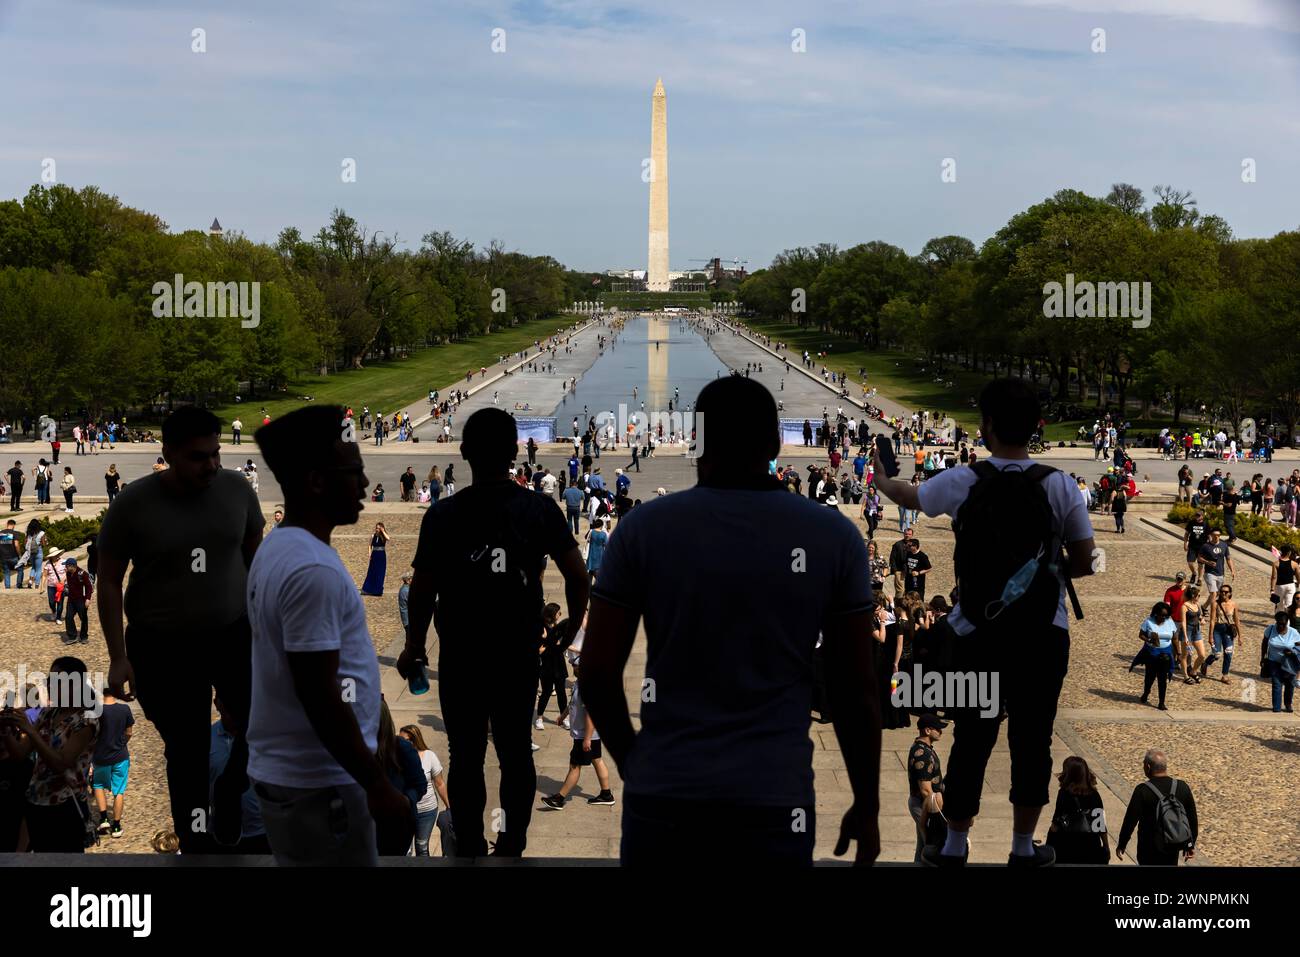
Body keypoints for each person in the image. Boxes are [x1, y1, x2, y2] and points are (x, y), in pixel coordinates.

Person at [580, 377, 881, 866]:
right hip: (774, 794)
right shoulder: (833, 537)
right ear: (775, 443)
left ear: (697, 439)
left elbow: (595, 672)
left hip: (666, 793)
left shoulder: (642, 530)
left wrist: (638, 764)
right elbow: (855, 688)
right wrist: (866, 803)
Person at [873, 377, 1096, 867]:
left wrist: (881, 474)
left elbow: (905, 496)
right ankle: (1021, 846)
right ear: (1037, 427)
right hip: (1042, 634)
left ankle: (953, 843)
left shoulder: (966, 479)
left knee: (974, 736)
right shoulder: (1059, 484)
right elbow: (1084, 560)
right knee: (1033, 739)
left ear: (986, 426)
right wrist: (1040, 570)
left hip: (978, 633)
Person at [398, 407, 589, 858]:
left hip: (463, 653)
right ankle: (512, 846)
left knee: (465, 757)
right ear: (516, 450)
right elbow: (579, 577)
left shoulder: (443, 515)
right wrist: (570, 628)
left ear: (464, 453)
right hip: (515, 651)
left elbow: (423, 590)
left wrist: (412, 645)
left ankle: (468, 846)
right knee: (515, 755)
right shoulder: (538, 509)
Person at [246, 405, 410, 866]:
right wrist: (377, 785)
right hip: (321, 784)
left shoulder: (278, 545)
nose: (362, 485)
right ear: (316, 481)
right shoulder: (312, 569)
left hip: (301, 777)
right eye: (353, 471)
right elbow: (318, 693)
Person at [97, 406, 265, 853]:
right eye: (197, 457)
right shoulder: (133, 503)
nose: (211, 465)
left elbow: (256, 558)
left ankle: (230, 789)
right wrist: (117, 655)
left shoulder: (236, 490)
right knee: (187, 751)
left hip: (232, 633)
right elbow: (109, 581)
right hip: (162, 647)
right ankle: (195, 840)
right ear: (168, 453)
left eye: (215, 454)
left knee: (263, 726)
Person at [0, 657, 99, 852]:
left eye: (54, 681)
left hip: (64, 807)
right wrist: (7, 731)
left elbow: (61, 763)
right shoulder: (48, 714)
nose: (48, 685)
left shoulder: (86, 721)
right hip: (37, 802)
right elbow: (20, 754)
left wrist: (30, 729)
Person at [540, 659, 616, 810]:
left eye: (575, 665)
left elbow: (591, 715)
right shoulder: (580, 683)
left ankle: (559, 799)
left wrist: (587, 738)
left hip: (585, 734)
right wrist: (563, 716)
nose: (573, 667)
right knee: (597, 760)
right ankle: (606, 794)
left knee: (575, 766)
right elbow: (572, 704)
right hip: (587, 734)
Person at [1115, 750, 1197, 866]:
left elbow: (1130, 821)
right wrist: (1189, 844)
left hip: (1148, 851)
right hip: (1171, 847)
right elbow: (1192, 819)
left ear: (1148, 767)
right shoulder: (1182, 787)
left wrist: (1122, 844)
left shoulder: (1142, 790)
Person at [1045, 756, 1109, 865]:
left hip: (1068, 849)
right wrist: (1106, 847)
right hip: (1091, 849)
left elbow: (1056, 824)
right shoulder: (1094, 795)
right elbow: (1100, 825)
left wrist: (1048, 846)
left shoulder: (1064, 794)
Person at [399, 725, 451, 856]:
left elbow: (440, 784)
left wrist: (449, 806)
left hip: (427, 812)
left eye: (403, 740)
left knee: (421, 847)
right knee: (405, 850)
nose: (399, 743)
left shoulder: (429, 756)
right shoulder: (396, 758)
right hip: (406, 811)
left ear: (413, 741)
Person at [91, 688, 134, 839]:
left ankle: (103, 819)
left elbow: (92, 735)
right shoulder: (124, 709)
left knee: (98, 785)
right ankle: (116, 826)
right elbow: (129, 732)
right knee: (119, 791)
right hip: (120, 756)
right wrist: (122, 743)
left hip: (100, 756)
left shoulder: (97, 711)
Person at [906, 714, 946, 864]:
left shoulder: (924, 749)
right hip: (925, 806)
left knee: (923, 846)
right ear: (928, 730)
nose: (941, 732)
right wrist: (939, 814)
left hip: (925, 805)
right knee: (933, 848)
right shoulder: (922, 754)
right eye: (938, 729)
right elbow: (926, 791)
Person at [1137, 602, 1176, 710]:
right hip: (1152, 654)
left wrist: (1178, 652)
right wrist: (1149, 640)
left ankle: (1161, 702)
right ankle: (1146, 692)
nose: (1164, 617)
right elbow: (1141, 635)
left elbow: (1175, 637)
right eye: (1162, 615)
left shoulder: (1170, 622)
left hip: (1166, 654)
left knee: (1162, 679)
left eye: (1166, 615)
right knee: (1150, 677)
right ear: (1156, 614)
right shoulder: (1148, 622)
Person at [1263, 610, 1300, 713]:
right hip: (1273, 661)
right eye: (1278, 623)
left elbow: (1299, 646)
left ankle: (1288, 704)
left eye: (1283, 624)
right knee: (1276, 683)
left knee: (1289, 684)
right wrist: (1263, 657)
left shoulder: (1293, 633)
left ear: (1287, 622)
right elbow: (1264, 642)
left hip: (1289, 663)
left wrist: (1292, 652)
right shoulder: (1270, 630)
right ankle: (1277, 707)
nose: (1280, 626)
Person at [1203, 584, 1241, 683]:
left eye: (1226, 592)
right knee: (1217, 654)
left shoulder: (1234, 604)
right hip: (1217, 629)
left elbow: (1237, 620)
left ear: (1230, 593)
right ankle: (1206, 662)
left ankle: (1225, 675)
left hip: (1228, 630)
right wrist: (1210, 636)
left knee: (1228, 652)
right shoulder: (1215, 603)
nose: (1223, 593)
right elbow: (1211, 620)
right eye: (1222, 591)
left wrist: (1240, 636)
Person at [62, 557, 93, 644]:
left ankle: (84, 636)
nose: (65, 567)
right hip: (71, 600)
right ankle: (72, 636)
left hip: (81, 600)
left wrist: (87, 599)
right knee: (68, 617)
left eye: (67, 566)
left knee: (83, 618)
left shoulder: (82, 574)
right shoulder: (68, 573)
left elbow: (89, 587)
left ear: (72, 566)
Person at [1196, 529, 1234, 597]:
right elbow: (1199, 558)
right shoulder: (1206, 546)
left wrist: (1232, 570)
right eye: (1214, 535)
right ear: (1211, 535)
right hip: (1209, 573)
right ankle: (1214, 608)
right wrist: (1207, 562)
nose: (1216, 537)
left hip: (1220, 573)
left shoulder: (1224, 545)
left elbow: (1228, 559)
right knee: (1214, 593)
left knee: (1217, 594)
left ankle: (1204, 607)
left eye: (1218, 535)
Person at [360, 522, 389, 596]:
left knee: (380, 572)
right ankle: (368, 589)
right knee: (372, 571)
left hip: (381, 555)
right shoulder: (373, 536)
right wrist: (369, 554)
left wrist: (383, 531)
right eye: (376, 528)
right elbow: (369, 545)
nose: (377, 529)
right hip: (374, 554)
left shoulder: (384, 536)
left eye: (379, 528)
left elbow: (388, 538)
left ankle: (377, 590)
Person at [1182, 509, 1209, 585]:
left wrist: (1210, 546)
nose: (1196, 517)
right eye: (1196, 515)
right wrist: (1185, 543)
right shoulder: (1191, 523)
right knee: (1190, 562)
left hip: (1202, 547)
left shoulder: (1206, 524)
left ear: (1202, 516)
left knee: (1200, 564)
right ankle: (1194, 573)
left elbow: (1209, 536)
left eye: (1198, 515)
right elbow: (1186, 534)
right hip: (1192, 546)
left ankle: (1199, 579)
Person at [1270, 545, 1297, 614]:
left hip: (1280, 586)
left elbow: (1274, 577)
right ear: (1289, 553)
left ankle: (1279, 622)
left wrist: (1272, 589)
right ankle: (1287, 622)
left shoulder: (1276, 563)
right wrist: (1298, 584)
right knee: (1289, 604)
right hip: (1290, 585)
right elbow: (1298, 576)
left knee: (1279, 605)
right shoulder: (1294, 564)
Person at [585, 518, 608, 584]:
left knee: (591, 571)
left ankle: (589, 587)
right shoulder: (603, 534)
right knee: (596, 573)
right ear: (601, 526)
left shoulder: (591, 531)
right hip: (599, 555)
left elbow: (586, 537)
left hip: (591, 554)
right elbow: (606, 544)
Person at [0, 519, 19, 590]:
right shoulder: (15, 533)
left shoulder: (1, 533)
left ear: (7, 524)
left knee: (6, 572)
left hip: (3, 556)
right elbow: (16, 545)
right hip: (13, 556)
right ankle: (19, 585)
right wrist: (19, 554)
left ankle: (7, 587)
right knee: (20, 569)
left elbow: (4, 543)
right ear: (13, 525)